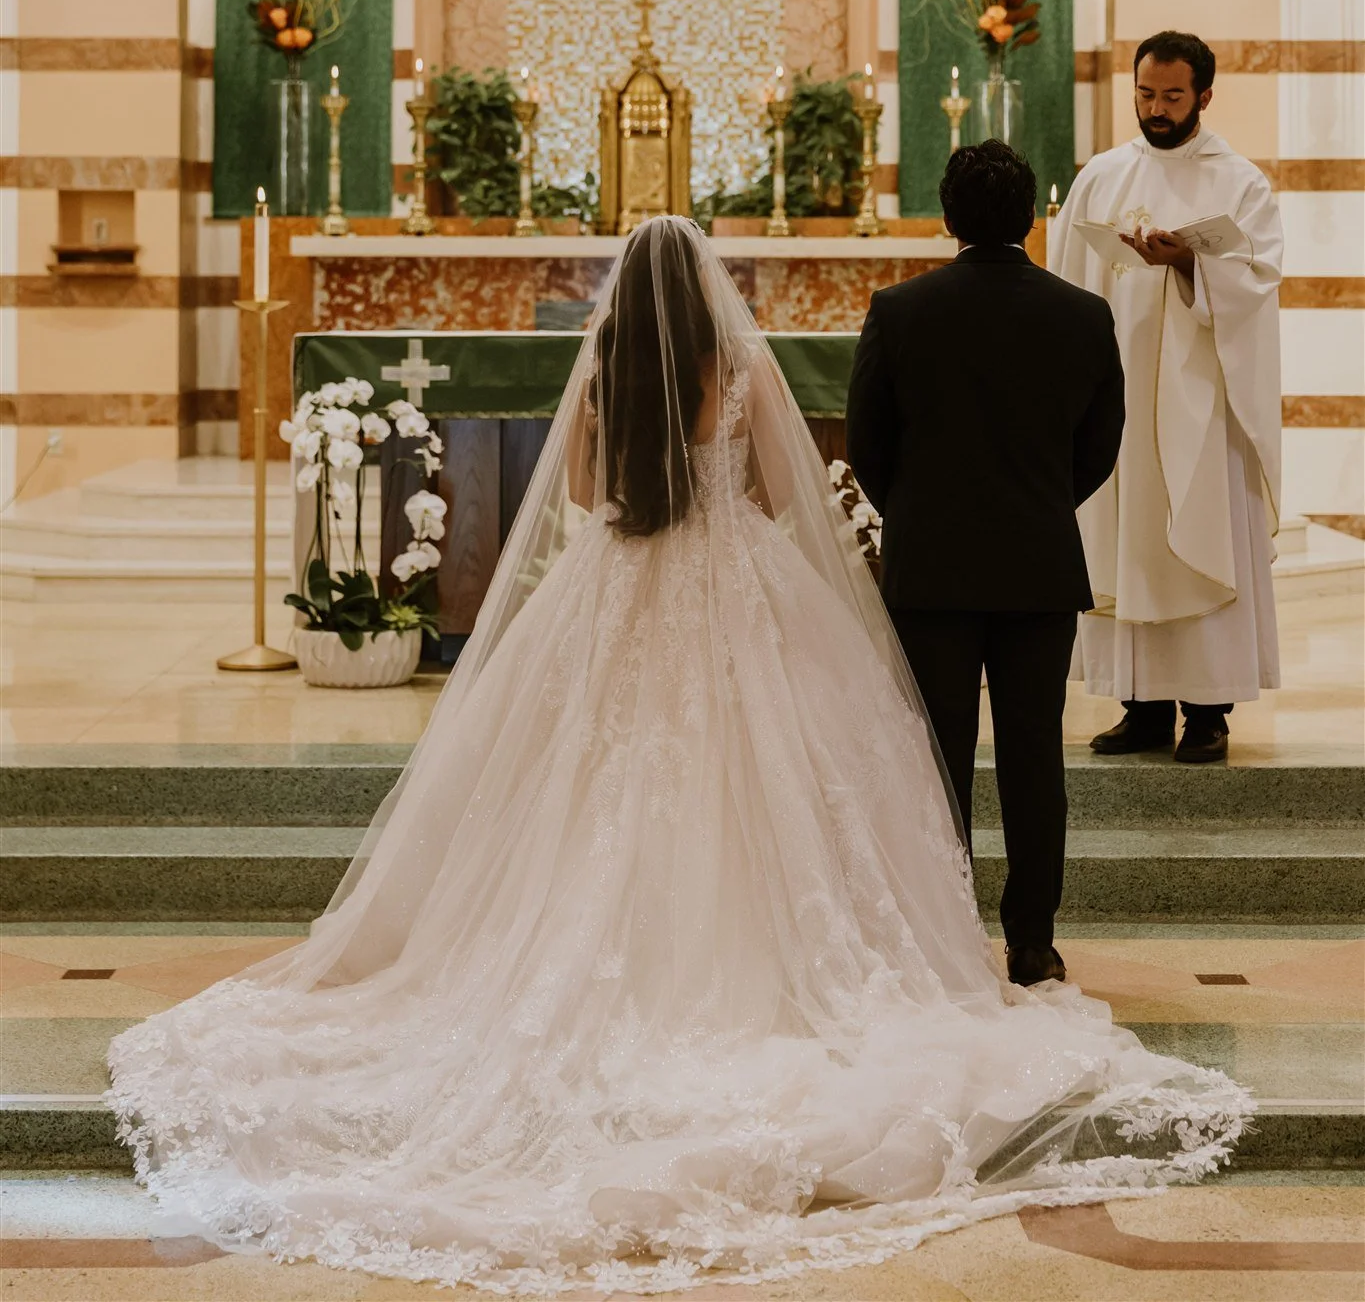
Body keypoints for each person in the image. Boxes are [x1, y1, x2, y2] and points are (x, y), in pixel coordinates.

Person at [109, 219, 1243, 1294]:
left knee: (585, 790)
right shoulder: (738, 369)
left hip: (620, 590)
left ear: (621, 295)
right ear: (703, 291)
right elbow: (789, 500)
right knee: (773, 784)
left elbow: (593, 498)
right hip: (733, 585)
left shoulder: (605, 371)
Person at [846, 142, 1125, 991]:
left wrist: (923, 517)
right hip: (1038, 563)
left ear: (946, 216)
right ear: (1033, 218)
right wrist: (1040, 505)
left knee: (934, 756)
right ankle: (1032, 941)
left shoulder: (899, 310)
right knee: (1034, 757)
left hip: (931, 568)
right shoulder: (1082, 314)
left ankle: (941, 932)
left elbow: (867, 446)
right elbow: (1098, 447)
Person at [1049, 31, 1282, 764]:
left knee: (1198, 535)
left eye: (1171, 96)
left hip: (1202, 404)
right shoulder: (1103, 176)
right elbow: (1066, 274)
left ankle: (1207, 712)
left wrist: (1191, 266)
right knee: (1128, 543)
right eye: (1145, 94)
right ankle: (1141, 707)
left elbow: (1258, 283)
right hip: (1116, 392)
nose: (1155, 109)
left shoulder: (1239, 182)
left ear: (1204, 96)